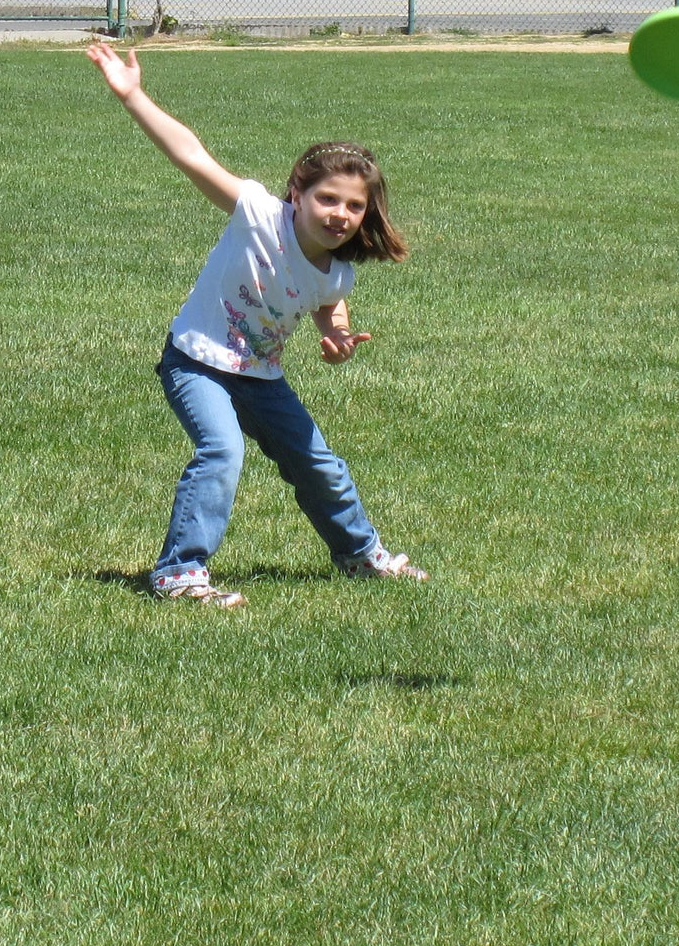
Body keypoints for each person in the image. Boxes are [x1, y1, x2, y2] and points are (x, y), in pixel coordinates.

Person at [87, 42, 428, 608]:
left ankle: (360, 555)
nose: (339, 214)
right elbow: (192, 156)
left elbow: (327, 299)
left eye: (354, 207)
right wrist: (134, 96)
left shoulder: (336, 273)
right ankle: (179, 573)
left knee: (316, 461)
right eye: (327, 199)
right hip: (195, 360)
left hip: (259, 376)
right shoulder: (256, 212)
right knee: (221, 452)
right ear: (296, 193)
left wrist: (337, 333)